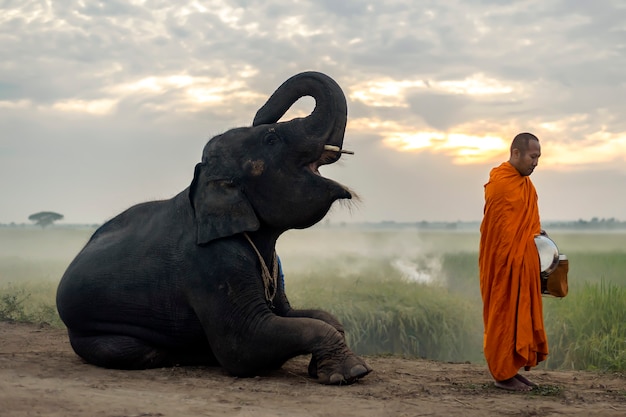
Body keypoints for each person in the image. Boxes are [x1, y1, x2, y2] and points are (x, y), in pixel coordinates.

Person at [478, 132, 548, 392]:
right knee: (503, 315)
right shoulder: (501, 184)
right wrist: (519, 253)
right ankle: (502, 374)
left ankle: (512, 370)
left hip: (522, 264)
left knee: (519, 315)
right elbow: (500, 235)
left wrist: (540, 240)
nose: (536, 163)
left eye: (539, 157)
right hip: (503, 267)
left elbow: (528, 226)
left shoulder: (527, 187)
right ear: (516, 153)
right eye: (533, 156)